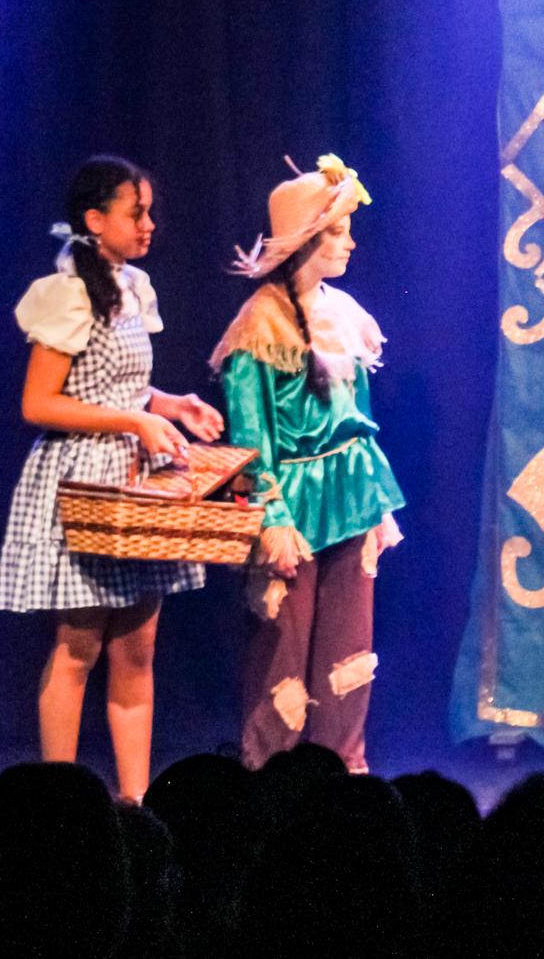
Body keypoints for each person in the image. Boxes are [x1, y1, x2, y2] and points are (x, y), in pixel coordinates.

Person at [0, 157, 223, 801]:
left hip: (135, 481)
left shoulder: (132, 287)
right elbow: (40, 403)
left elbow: (121, 384)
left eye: (149, 211)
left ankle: (135, 806)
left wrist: (170, 405)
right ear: (95, 220)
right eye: (135, 212)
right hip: (85, 485)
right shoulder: (67, 294)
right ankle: (58, 806)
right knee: (79, 648)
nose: (149, 224)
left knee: (136, 654)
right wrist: (134, 420)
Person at [212, 155, 405, 773]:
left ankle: (344, 767)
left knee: (349, 645)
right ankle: (273, 776)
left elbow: (359, 416)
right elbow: (250, 435)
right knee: (283, 644)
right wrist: (270, 516)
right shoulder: (259, 324)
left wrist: (374, 501)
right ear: (305, 241)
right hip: (292, 504)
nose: (350, 243)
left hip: (352, 492)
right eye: (338, 232)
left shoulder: (346, 314)